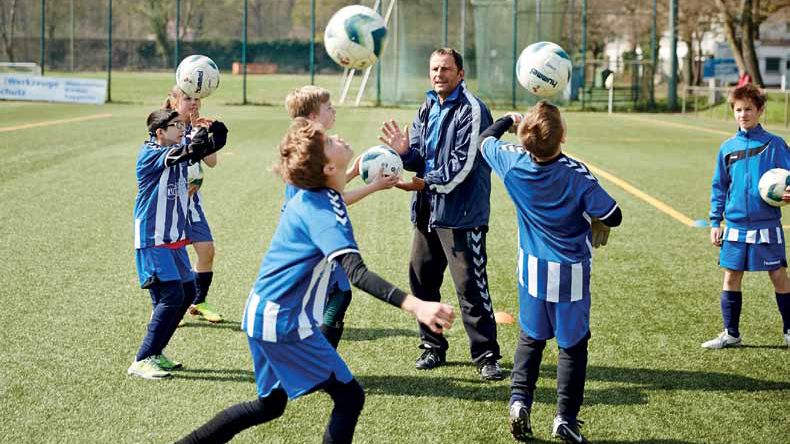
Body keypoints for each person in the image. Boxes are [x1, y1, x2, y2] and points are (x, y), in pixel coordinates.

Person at [175, 118, 455, 444]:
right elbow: (356, 272)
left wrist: (360, 175)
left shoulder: (322, 195)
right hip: (281, 321)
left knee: (269, 405)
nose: (337, 136)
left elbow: (337, 191)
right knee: (350, 397)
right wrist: (416, 305)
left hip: (263, 312)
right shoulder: (321, 209)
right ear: (326, 167)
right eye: (329, 141)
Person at [479, 101, 621, 443]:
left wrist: (508, 120)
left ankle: (518, 404)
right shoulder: (577, 173)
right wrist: (598, 219)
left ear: (526, 136)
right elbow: (614, 214)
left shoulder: (512, 163)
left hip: (531, 271)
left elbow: (485, 141)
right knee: (572, 346)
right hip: (569, 274)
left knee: (530, 339)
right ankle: (565, 419)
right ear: (562, 137)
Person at [378, 48, 502, 380]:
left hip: (462, 214)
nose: (438, 74)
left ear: (461, 74)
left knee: (470, 287)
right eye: (434, 69)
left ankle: (487, 355)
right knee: (422, 281)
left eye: (446, 69)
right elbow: (420, 158)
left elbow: (462, 167)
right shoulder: (426, 106)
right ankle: (432, 347)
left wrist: (423, 183)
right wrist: (405, 153)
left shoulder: (473, 110)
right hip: (427, 212)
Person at [283, 85, 399, 348]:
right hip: (309, 235)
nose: (333, 110)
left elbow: (327, 190)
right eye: (328, 107)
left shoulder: (313, 143)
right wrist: (374, 186)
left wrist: (356, 171)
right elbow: (330, 199)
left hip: (310, 232)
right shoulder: (311, 150)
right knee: (337, 294)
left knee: (335, 293)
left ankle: (319, 360)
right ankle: (319, 362)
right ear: (313, 117)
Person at [129, 109, 228, 379]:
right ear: (160, 132)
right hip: (153, 236)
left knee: (185, 295)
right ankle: (142, 359)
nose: (181, 130)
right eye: (176, 126)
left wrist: (216, 132)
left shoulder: (176, 146)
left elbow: (203, 150)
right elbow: (188, 152)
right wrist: (196, 136)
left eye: (182, 126)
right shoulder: (151, 154)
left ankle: (156, 353)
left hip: (173, 237)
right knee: (172, 296)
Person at [705, 83, 790, 349]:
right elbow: (720, 186)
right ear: (733, 112)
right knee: (731, 276)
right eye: (739, 110)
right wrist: (714, 221)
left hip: (767, 224)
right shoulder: (727, 147)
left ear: (760, 110)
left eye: (749, 109)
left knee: (778, 275)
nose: (744, 114)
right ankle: (731, 333)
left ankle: (789, 330)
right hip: (735, 225)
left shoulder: (775, 144)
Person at [164, 86, 224, 324]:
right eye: (187, 98)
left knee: (206, 249)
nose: (193, 103)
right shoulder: (168, 127)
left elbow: (211, 162)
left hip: (191, 202)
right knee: (170, 257)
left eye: (197, 98)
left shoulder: (196, 127)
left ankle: (198, 301)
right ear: (173, 101)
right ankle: (165, 306)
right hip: (168, 202)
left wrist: (202, 132)